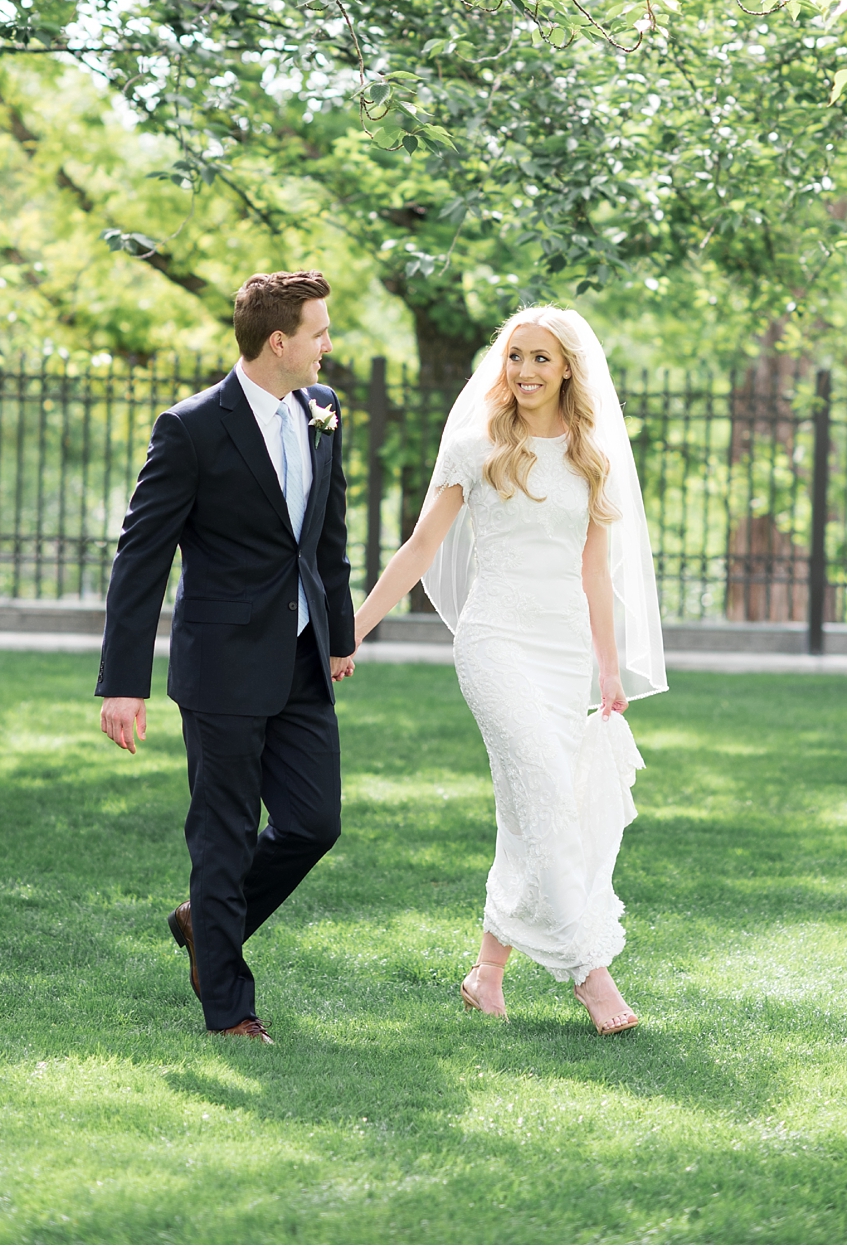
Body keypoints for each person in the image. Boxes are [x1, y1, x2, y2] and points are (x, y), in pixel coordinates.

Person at [352, 306, 667, 1034]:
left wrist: (609, 669)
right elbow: (419, 548)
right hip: (494, 642)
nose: (525, 370)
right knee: (548, 794)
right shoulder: (475, 445)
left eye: (541, 358)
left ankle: (486, 972)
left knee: (525, 808)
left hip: (563, 655)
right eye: (515, 355)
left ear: (566, 370)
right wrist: (353, 629)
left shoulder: (591, 457)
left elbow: (595, 572)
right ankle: (591, 976)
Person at [97, 270, 353, 1043]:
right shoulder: (191, 427)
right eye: (319, 331)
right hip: (221, 666)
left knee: (314, 822)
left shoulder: (323, 411)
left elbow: (327, 536)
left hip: (303, 658)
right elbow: (141, 558)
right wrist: (122, 684)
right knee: (225, 834)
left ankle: (202, 920)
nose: (328, 345)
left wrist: (338, 634)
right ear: (280, 341)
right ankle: (231, 1009)